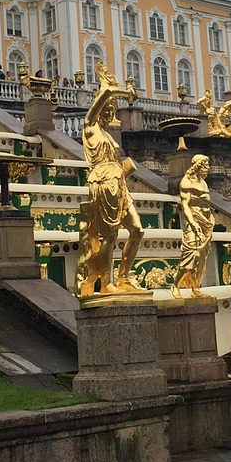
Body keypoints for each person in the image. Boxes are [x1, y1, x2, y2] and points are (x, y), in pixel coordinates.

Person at [75, 63, 147, 298]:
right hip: (103, 182)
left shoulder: (106, 134)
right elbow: (104, 93)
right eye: (107, 108)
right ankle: (105, 283)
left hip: (119, 183)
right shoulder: (89, 127)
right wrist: (123, 92)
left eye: (113, 108)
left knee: (137, 230)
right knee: (110, 235)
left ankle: (123, 276)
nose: (110, 111)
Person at [174, 155, 214, 298]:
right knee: (191, 254)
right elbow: (185, 206)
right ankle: (175, 284)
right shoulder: (186, 182)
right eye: (205, 166)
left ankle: (195, 287)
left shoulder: (203, 182)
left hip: (207, 222)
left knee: (201, 257)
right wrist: (193, 224)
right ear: (198, 166)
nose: (208, 169)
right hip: (193, 221)